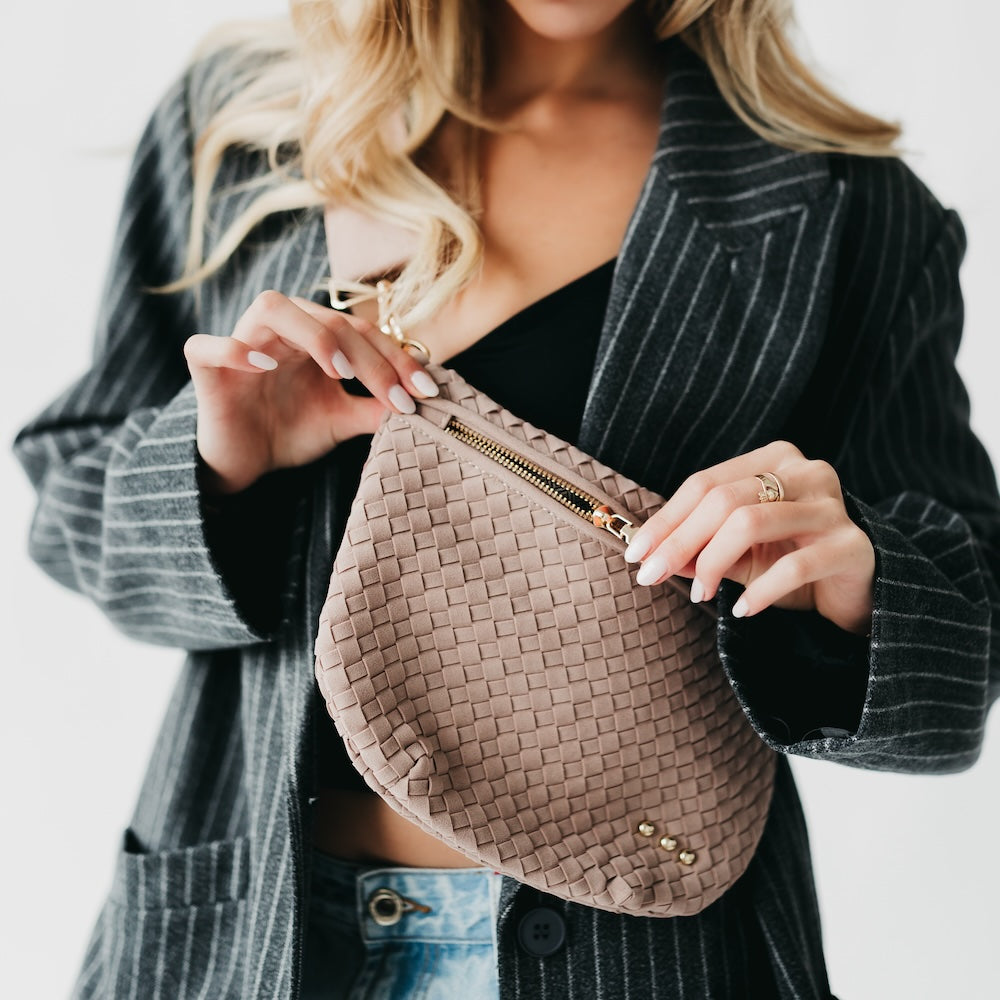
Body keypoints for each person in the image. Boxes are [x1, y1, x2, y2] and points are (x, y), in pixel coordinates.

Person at [13, 0, 1000, 997]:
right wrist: (215, 464)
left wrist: (853, 581)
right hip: (247, 936)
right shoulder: (241, 122)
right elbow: (67, 493)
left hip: (648, 958)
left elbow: (964, 640)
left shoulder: (850, 208)